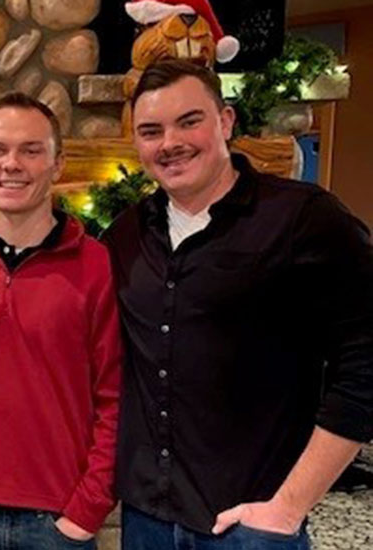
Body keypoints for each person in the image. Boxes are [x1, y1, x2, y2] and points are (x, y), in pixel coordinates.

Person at [102, 58, 373, 550]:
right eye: (151, 130)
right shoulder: (125, 235)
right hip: (145, 523)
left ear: (225, 121)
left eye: (190, 121)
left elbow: (366, 360)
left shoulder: (304, 219)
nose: (170, 143)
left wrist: (291, 504)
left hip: (252, 528)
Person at [0, 93, 122, 549]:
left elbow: (117, 399)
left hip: (56, 521)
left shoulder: (100, 268)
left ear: (58, 165)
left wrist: (87, 511)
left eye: (31, 150)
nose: (11, 164)